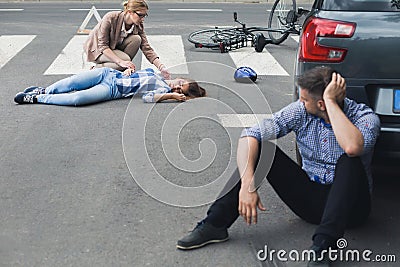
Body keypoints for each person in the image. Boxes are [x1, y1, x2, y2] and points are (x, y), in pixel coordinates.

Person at [176, 66, 380, 266]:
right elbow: (249, 135)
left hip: (351, 209)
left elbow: (353, 147)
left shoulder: (364, 117)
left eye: (305, 99)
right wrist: (248, 185)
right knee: (264, 150)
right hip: (311, 201)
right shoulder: (301, 112)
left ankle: (323, 247)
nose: (300, 101)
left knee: (350, 160)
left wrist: (330, 102)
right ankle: (215, 224)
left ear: (321, 103)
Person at [13, 67, 206, 106]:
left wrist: (170, 96)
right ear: (181, 78)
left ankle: (36, 98)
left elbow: (147, 98)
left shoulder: (164, 91)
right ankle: (43, 90)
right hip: (108, 74)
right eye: (181, 83)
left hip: (112, 90)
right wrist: (128, 68)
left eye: (181, 90)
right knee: (72, 82)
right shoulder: (159, 75)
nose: (178, 87)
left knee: (78, 99)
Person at [84, 0, 171, 79]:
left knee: (137, 39)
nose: (143, 19)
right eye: (140, 15)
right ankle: (95, 70)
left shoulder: (138, 25)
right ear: (130, 12)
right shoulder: (111, 17)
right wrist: (121, 62)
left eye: (145, 15)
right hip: (97, 50)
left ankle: (119, 69)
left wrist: (161, 67)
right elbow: (102, 46)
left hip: (113, 49)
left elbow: (146, 48)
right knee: (125, 61)